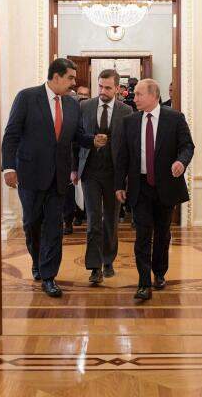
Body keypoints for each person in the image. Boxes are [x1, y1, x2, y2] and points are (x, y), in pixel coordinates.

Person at [1, 58, 107, 298]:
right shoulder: (27, 97)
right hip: (30, 175)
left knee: (53, 227)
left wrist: (93, 141)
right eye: (70, 77)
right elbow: (11, 135)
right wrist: (8, 168)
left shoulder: (71, 105)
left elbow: (77, 135)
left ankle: (49, 276)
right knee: (32, 224)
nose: (73, 82)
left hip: (59, 177)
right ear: (56, 77)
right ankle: (37, 261)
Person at [115, 78, 194, 301]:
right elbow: (123, 156)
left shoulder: (175, 118)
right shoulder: (130, 121)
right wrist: (120, 184)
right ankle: (143, 283)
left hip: (166, 185)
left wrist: (181, 162)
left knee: (162, 233)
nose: (134, 97)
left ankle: (159, 273)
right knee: (142, 235)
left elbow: (187, 146)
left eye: (139, 94)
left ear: (154, 95)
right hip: (140, 187)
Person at [75, 69, 133, 283]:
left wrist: (127, 177)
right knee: (93, 220)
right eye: (100, 86)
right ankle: (94, 267)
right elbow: (77, 138)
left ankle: (108, 260)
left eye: (108, 87)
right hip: (90, 172)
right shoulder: (84, 106)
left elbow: (128, 147)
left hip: (114, 174)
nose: (103, 91)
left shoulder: (126, 111)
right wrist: (74, 169)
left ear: (117, 88)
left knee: (111, 220)